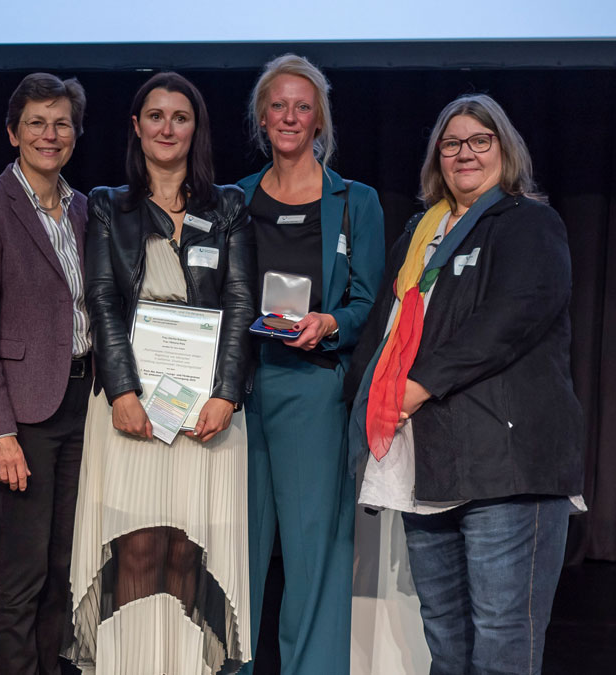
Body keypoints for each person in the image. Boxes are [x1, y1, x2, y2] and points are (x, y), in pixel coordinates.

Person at [346, 93, 584, 675]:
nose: (465, 153)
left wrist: (417, 385)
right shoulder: (418, 235)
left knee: (503, 641)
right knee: (446, 643)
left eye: (481, 140)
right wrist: (360, 400)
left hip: (507, 466)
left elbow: (512, 316)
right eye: (451, 144)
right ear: (436, 158)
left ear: (505, 150)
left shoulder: (528, 221)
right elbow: (383, 331)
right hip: (427, 460)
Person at [68, 72, 256, 674]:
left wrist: (226, 395)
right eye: (155, 115)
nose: (167, 127)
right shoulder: (107, 205)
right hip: (132, 407)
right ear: (136, 126)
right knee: (138, 550)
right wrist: (122, 391)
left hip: (207, 411)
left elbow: (241, 304)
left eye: (180, 116)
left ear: (195, 128)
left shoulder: (227, 206)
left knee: (189, 555)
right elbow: (100, 299)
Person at [235, 54, 384, 675]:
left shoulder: (357, 202)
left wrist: (329, 324)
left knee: (313, 555)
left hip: (313, 390)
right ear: (262, 118)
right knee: (233, 552)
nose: (290, 116)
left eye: (303, 105)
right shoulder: (232, 199)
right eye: (278, 105)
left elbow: (369, 306)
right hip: (238, 393)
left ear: (319, 117)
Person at [0, 73, 90, 675]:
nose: (49, 135)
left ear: (76, 134)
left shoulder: (87, 209)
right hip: (22, 417)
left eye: (61, 123)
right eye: (36, 122)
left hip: (85, 407)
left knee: (65, 569)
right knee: (21, 573)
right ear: (13, 132)